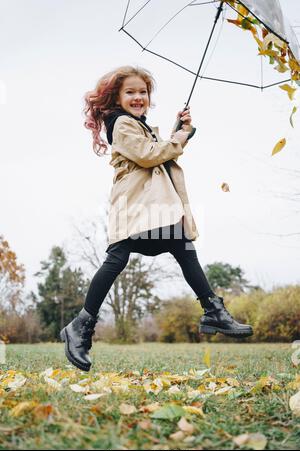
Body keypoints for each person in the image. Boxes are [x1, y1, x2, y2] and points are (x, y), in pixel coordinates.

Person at [60, 65, 253, 372]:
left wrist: (178, 130)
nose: (138, 97)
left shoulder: (137, 124)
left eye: (143, 92)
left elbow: (156, 150)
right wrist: (180, 137)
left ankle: (212, 309)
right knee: (119, 258)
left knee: (181, 244)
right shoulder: (121, 123)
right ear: (117, 96)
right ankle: (80, 326)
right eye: (131, 92)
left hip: (148, 207)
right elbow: (150, 155)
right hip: (135, 205)